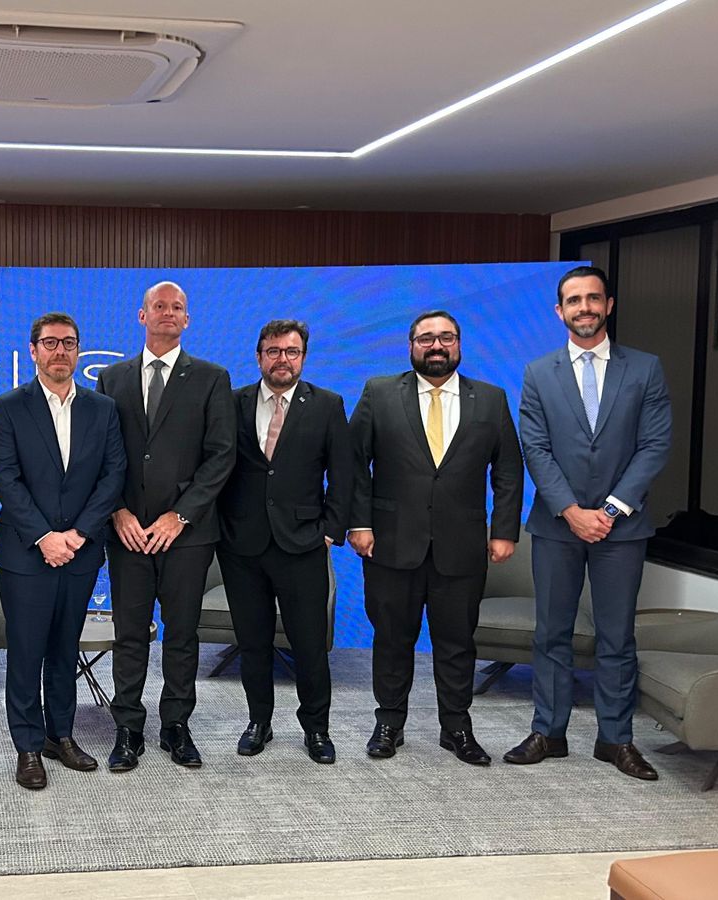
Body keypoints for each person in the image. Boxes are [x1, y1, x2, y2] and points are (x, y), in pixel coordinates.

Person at [503, 266, 672, 780]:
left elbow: (655, 445)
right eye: (574, 300)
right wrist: (572, 511)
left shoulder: (645, 368)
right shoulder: (539, 372)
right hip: (558, 525)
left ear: (608, 305)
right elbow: (535, 448)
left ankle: (615, 740)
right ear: (560, 311)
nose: (585, 308)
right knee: (551, 632)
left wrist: (612, 510)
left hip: (623, 528)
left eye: (593, 299)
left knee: (616, 637)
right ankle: (548, 733)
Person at [347, 311, 523, 766]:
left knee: (457, 642)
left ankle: (457, 727)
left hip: (461, 545)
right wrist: (358, 523)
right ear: (411, 346)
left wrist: (505, 530)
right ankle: (389, 723)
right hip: (390, 543)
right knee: (391, 639)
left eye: (446, 337)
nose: (437, 345)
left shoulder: (491, 399)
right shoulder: (379, 392)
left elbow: (508, 468)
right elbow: (353, 462)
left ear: (459, 344)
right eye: (426, 338)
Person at [95, 281, 236, 771]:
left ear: (187, 319)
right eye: (160, 306)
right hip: (128, 532)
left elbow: (222, 455)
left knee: (181, 634)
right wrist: (117, 511)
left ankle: (176, 725)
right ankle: (128, 728)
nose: (168, 313)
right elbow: (101, 455)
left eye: (178, 307)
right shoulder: (112, 378)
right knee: (129, 634)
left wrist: (180, 515)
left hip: (187, 534)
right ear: (142, 315)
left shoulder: (212, 378)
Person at [0, 312, 127, 789]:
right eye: (50, 343)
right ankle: (28, 746)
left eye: (68, 343)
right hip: (27, 552)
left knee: (65, 649)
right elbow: (6, 478)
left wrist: (80, 534)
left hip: (81, 552)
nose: (59, 351)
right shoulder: (9, 406)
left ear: (78, 350)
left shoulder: (102, 409)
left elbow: (113, 475)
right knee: (27, 652)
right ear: (33, 351)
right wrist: (45, 537)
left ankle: (60, 735)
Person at [217, 320, 351, 764]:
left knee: (309, 645)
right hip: (242, 546)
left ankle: (317, 728)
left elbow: (344, 473)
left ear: (303, 358)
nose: (282, 360)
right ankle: (259, 721)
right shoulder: (232, 402)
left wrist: (330, 530)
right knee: (253, 643)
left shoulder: (327, 404)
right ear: (259, 357)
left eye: (292, 352)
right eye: (273, 351)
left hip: (303, 544)